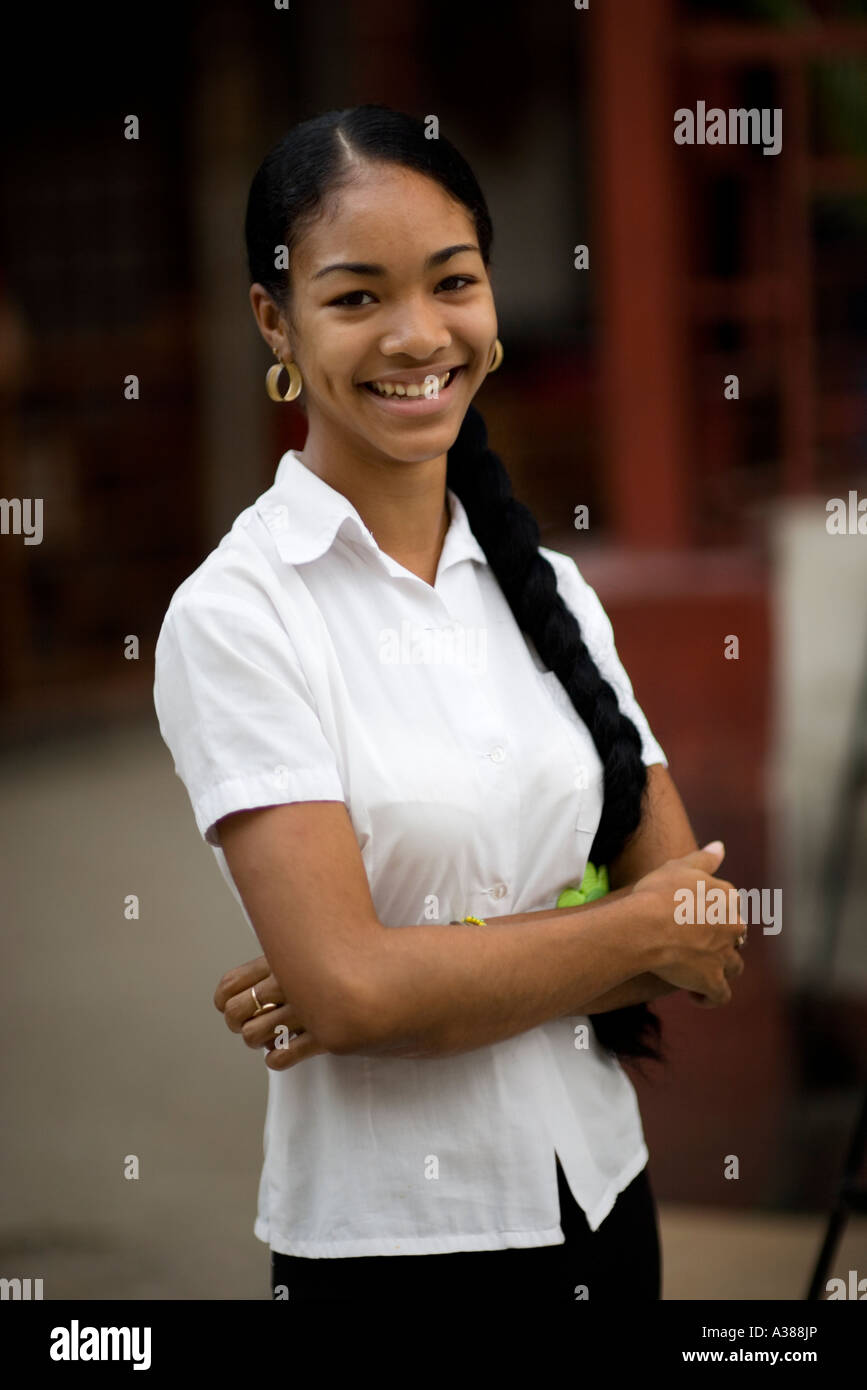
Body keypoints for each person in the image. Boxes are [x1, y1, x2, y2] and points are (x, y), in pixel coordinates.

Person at [153, 105, 746, 1303]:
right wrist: (616, 933)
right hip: (398, 1253)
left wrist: (407, 978)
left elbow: (708, 942)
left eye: (452, 282)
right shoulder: (238, 616)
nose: (418, 335)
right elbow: (363, 990)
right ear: (275, 319)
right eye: (358, 296)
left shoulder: (554, 590)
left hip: (605, 1199)